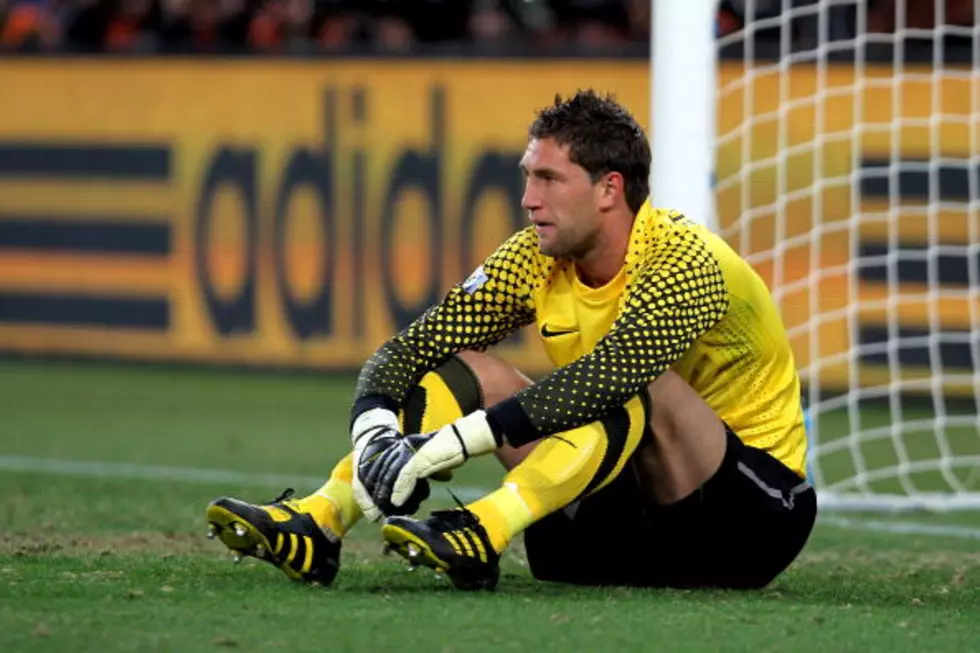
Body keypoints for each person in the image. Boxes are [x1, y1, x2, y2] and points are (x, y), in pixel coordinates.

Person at [205, 89, 817, 591]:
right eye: (529, 178)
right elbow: (409, 348)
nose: (529, 199)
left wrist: (451, 443)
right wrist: (376, 431)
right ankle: (319, 522)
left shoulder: (684, 259)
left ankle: (484, 529)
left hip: (747, 522)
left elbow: (612, 376)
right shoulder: (532, 258)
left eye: (549, 179)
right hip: (622, 522)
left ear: (609, 189)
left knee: (633, 383)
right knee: (464, 366)